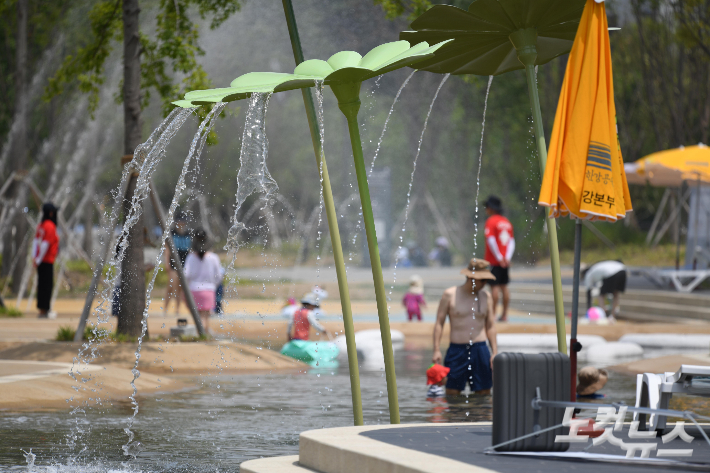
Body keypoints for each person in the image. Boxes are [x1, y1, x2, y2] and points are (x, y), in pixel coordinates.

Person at [433, 258, 497, 395]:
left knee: (484, 393)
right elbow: (439, 322)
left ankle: (480, 417)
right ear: (471, 278)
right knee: (452, 393)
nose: (485, 284)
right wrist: (436, 349)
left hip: (480, 349)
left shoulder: (486, 296)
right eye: (483, 280)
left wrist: (495, 352)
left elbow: (490, 326)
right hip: (457, 350)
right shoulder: (450, 294)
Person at [483, 195, 515, 322]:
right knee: (504, 287)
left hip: (494, 260)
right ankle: (505, 315)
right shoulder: (506, 222)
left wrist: (499, 257)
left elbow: (491, 240)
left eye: (486, 207)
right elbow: (512, 241)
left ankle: (493, 314)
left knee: (494, 288)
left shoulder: (491, 221)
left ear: (491, 208)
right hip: (505, 261)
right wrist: (507, 258)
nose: (486, 209)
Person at [183, 229, 222, 332]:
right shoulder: (213, 258)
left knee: (199, 316)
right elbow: (218, 276)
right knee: (205, 316)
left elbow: (186, 275)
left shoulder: (190, 257)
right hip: (209, 290)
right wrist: (214, 286)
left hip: (194, 290)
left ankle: (201, 333)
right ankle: (203, 336)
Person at [32, 203, 59, 318]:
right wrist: (39, 259)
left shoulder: (41, 225)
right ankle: (45, 310)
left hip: (41, 260)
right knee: (47, 285)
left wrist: (35, 258)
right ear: (51, 213)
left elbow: (35, 242)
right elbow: (45, 244)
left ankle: (43, 310)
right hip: (47, 260)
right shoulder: (50, 226)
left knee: (42, 285)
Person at [164, 212, 191, 316]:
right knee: (171, 285)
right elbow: (167, 249)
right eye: (181, 221)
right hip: (173, 263)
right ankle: (165, 308)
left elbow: (190, 250)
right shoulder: (171, 233)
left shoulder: (187, 234)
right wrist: (166, 262)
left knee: (180, 287)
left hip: (184, 263)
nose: (183, 223)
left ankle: (177, 309)